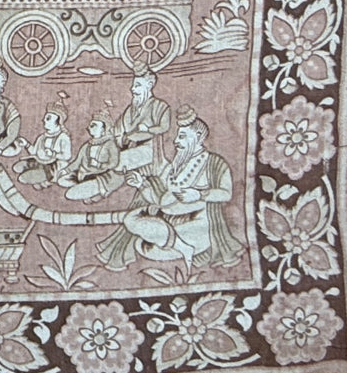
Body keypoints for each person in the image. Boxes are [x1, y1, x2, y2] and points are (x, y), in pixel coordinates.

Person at [98, 107, 244, 271]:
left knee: (147, 242)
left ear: (197, 137)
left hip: (198, 228)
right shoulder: (178, 166)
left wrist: (199, 194)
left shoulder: (214, 163)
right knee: (132, 222)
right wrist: (141, 184)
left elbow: (226, 194)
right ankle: (181, 247)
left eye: (182, 136)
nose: (176, 141)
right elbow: (163, 201)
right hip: (170, 222)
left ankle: (181, 245)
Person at [115, 67, 173, 175]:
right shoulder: (129, 110)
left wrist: (148, 129)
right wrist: (121, 139)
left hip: (149, 149)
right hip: (129, 147)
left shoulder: (160, 106)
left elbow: (164, 127)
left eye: (137, 85)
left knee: (116, 162)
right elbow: (118, 129)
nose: (132, 89)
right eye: (133, 85)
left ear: (149, 85)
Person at [60, 109, 124, 203]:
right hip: (85, 174)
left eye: (94, 125)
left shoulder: (110, 144)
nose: (90, 127)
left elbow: (114, 163)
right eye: (90, 125)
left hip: (102, 175)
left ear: (103, 129)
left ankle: (96, 192)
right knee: (61, 180)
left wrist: (99, 164)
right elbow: (78, 162)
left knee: (73, 193)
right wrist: (66, 170)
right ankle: (85, 188)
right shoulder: (87, 145)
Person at [16, 103, 73, 187]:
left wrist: (53, 154)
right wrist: (26, 144)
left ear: (58, 121)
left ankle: (46, 180)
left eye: (48, 118)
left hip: (52, 167)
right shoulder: (42, 137)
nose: (44, 120)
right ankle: (40, 179)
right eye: (45, 118)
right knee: (17, 167)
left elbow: (67, 156)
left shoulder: (63, 137)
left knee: (22, 178)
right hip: (39, 162)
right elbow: (34, 152)